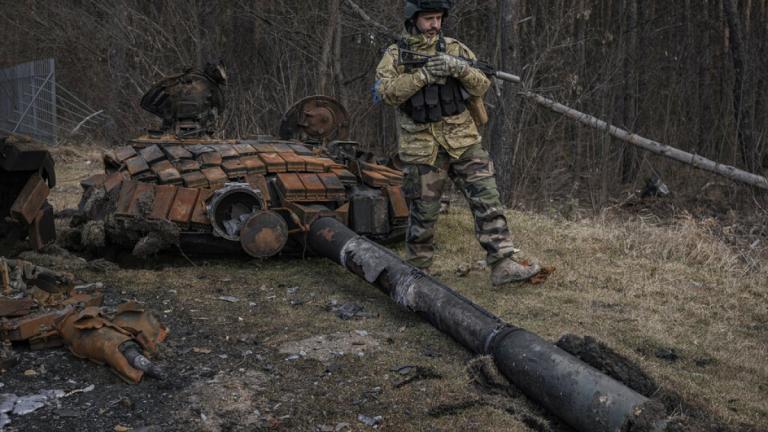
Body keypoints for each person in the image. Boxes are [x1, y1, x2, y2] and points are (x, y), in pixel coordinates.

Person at [374, 0, 540, 285]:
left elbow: (482, 84)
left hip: (463, 140)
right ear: (413, 19)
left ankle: (502, 263)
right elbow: (385, 93)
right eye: (428, 19)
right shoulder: (396, 55)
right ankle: (417, 273)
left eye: (438, 18)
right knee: (423, 214)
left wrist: (458, 69)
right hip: (422, 147)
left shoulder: (455, 49)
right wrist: (422, 76)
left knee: (487, 198)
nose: (434, 25)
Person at [140, 61, 227, 137]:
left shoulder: (175, 80)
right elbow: (220, 108)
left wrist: (166, 115)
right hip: (198, 130)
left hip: (173, 128)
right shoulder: (212, 87)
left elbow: (148, 102)